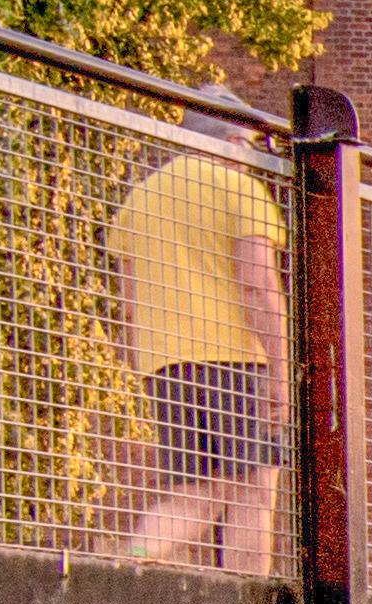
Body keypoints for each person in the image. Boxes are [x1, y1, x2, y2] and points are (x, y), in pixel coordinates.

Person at [112, 142, 285, 566]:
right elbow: (257, 284)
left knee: (194, 493)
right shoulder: (239, 189)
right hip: (235, 356)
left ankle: (131, 557)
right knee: (253, 491)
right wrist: (281, 366)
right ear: (232, 143)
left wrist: (144, 363)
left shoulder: (142, 196)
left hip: (165, 363)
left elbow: (129, 300)